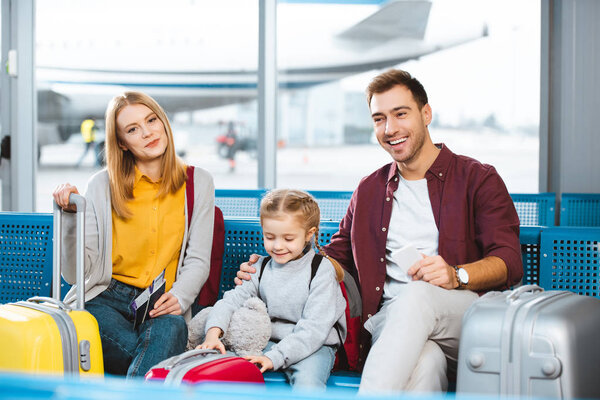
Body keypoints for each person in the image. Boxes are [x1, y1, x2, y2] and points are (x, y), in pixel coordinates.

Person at [236, 69, 523, 394]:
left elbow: (509, 261)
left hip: (464, 325)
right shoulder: (370, 189)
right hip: (390, 329)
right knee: (426, 363)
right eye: (379, 118)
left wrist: (456, 275)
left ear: (426, 114)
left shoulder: (477, 179)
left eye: (400, 114)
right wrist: (274, 265)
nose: (390, 129)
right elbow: (335, 258)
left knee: (416, 295)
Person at [53, 91, 215, 378]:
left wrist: (181, 295)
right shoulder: (102, 185)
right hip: (105, 297)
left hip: (162, 300)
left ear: (163, 121)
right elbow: (75, 274)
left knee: (172, 329)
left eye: (151, 120)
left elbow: (198, 259)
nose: (147, 133)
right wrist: (70, 218)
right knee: (153, 353)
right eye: (132, 129)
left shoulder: (198, 182)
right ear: (122, 144)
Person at [199, 189, 347, 389]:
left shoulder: (321, 271)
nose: (277, 246)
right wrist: (213, 333)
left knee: (308, 384)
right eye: (270, 237)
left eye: (288, 239)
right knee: (230, 372)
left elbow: (314, 329)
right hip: (267, 341)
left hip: (313, 347)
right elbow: (231, 301)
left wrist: (274, 357)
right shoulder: (259, 267)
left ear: (308, 234)